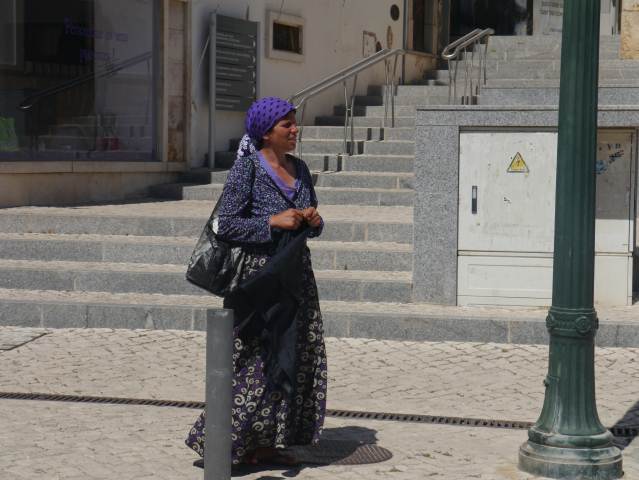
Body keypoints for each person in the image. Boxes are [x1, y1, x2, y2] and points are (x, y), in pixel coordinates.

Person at [185, 97, 327, 466]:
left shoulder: (302, 169)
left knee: (294, 356)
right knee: (255, 361)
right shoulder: (247, 169)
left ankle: (270, 442)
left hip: (296, 277)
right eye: (287, 125)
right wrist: (271, 222)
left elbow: (314, 226)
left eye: (295, 123)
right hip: (258, 278)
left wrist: (313, 220)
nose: (295, 130)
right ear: (266, 133)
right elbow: (224, 224)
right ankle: (221, 443)